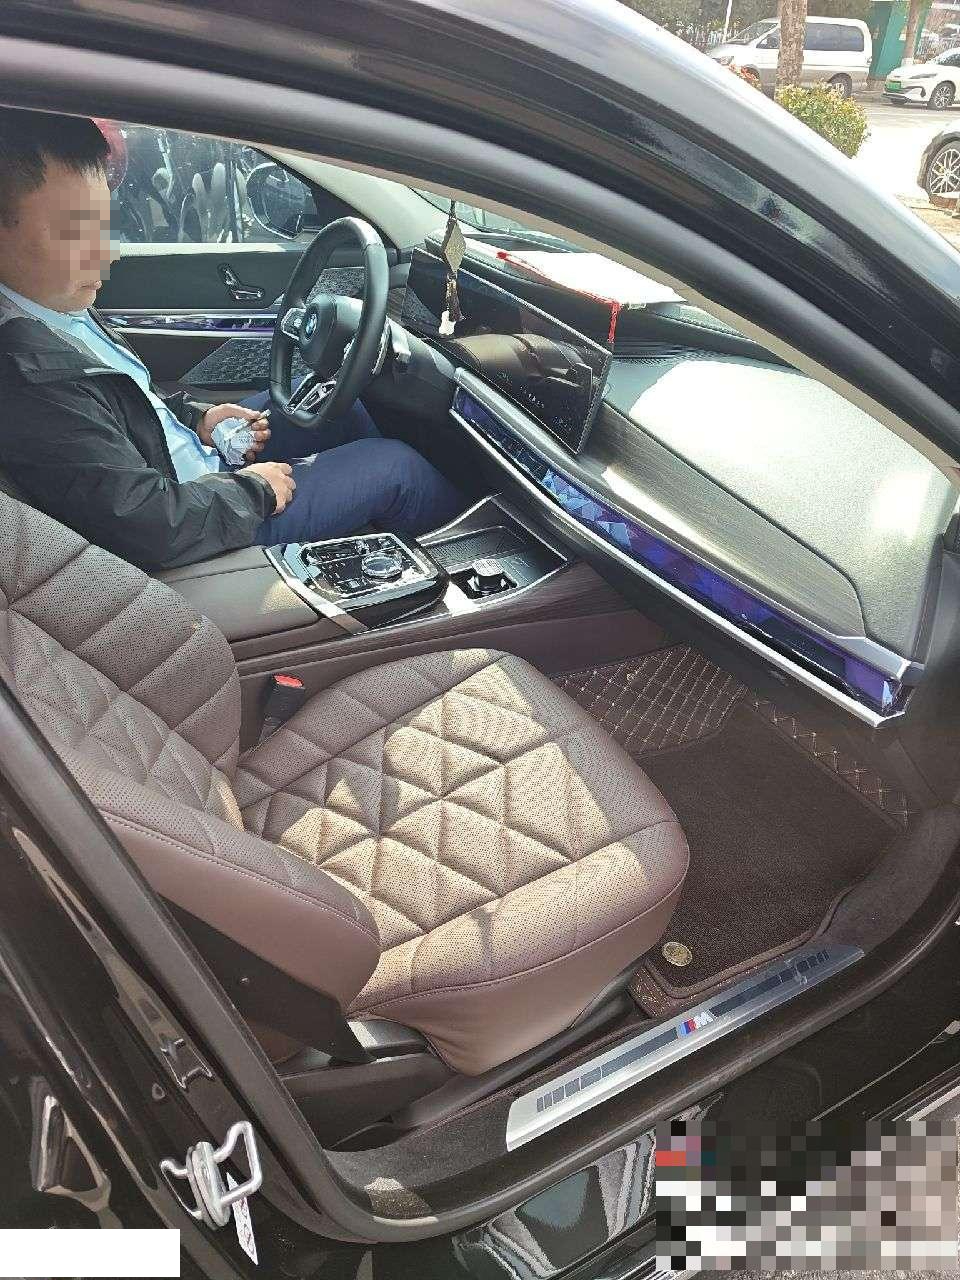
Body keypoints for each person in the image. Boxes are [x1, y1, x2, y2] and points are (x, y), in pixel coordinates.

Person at [0, 110, 463, 569]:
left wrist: (197, 418)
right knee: (396, 469)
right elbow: (146, 525)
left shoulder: (53, 306)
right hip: (197, 527)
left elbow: (123, 408)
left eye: (103, 223)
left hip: (195, 483)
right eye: (73, 232)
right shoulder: (28, 381)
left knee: (343, 407)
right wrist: (255, 491)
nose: (108, 252)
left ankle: (372, 539)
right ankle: (471, 567)